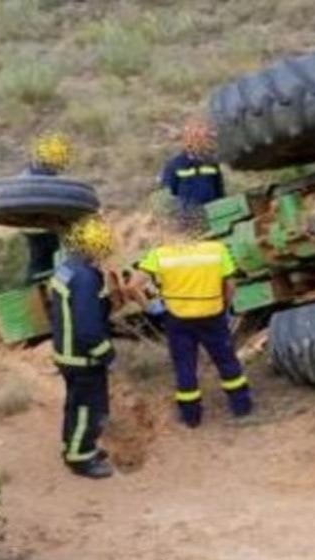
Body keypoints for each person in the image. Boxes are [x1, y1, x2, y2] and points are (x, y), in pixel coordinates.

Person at [137, 218, 252, 428]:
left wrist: (149, 306)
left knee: (185, 366)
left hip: (178, 319)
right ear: (199, 229)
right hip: (212, 315)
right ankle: (241, 406)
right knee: (226, 361)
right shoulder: (217, 250)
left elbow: (133, 284)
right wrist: (224, 305)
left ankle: (191, 417)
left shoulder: (160, 254)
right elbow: (230, 284)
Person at [48, 216, 117, 479]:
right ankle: (81, 457)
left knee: (75, 405)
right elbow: (88, 328)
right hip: (82, 357)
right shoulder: (86, 278)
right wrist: (106, 354)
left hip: (66, 352)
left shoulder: (67, 268)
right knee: (91, 408)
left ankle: (72, 447)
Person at [22, 132, 73, 283]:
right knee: (54, 258)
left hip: (34, 226)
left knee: (40, 259)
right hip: (44, 226)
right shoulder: (41, 177)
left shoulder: (28, 173)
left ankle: (38, 288)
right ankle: (54, 288)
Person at [158, 118, 225, 218]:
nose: (195, 143)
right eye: (191, 139)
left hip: (213, 215)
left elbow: (219, 192)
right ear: (185, 141)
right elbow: (168, 194)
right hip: (187, 220)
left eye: (199, 139)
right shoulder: (175, 165)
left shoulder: (211, 163)